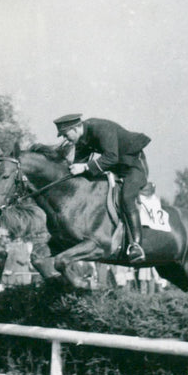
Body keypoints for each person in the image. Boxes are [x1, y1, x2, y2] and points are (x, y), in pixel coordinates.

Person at [53, 113, 151, 264]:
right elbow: (79, 169)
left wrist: (85, 167)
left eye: (66, 135)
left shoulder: (101, 128)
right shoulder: (81, 139)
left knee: (126, 197)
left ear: (76, 128)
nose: (66, 139)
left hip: (133, 165)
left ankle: (136, 245)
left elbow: (111, 157)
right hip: (115, 168)